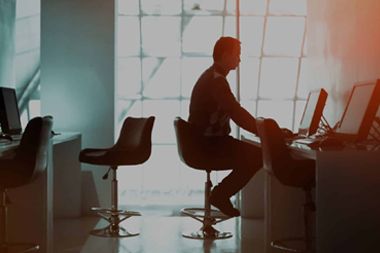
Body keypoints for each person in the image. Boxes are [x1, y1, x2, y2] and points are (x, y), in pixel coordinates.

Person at [188, 36, 262, 217]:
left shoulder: (212, 75)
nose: (239, 59)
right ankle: (220, 195)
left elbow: (233, 111)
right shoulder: (216, 81)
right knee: (257, 156)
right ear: (225, 55)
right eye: (237, 54)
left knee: (252, 153)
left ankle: (220, 194)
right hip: (208, 144)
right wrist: (266, 131)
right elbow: (235, 112)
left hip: (203, 141)